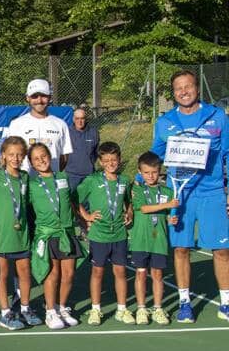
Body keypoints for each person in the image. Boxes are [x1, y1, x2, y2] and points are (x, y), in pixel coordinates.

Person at [151, 69, 229, 323]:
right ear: (173, 93)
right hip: (180, 196)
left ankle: (226, 303)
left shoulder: (217, 116)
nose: (184, 92)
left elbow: (228, 154)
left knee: (222, 249)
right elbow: (155, 156)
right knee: (181, 248)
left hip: (213, 193)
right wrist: (139, 185)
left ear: (197, 88)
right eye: (178, 88)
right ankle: (185, 302)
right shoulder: (164, 122)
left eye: (188, 86)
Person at [27, 143, 85, 330]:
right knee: (53, 274)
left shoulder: (63, 177)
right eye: (36, 159)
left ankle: (61, 308)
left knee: (69, 274)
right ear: (32, 163)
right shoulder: (31, 184)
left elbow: (74, 201)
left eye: (43, 156)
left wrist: (86, 217)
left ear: (49, 155)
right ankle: (50, 311)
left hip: (67, 233)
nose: (41, 160)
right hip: (47, 234)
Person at [0, 137, 42, 330]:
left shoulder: (26, 177)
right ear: (3, 156)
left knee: (25, 272)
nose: (16, 158)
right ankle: (5, 313)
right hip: (3, 236)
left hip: (22, 234)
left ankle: (25, 307)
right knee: (2, 275)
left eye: (20, 154)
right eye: (11, 154)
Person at [75, 141, 134, 325]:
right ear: (100, 162)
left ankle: (122, 309)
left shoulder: (124, 181)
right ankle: (95, 309)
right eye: (106, 160)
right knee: (98, 272)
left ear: (119, 160)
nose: (111, 163)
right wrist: (86, 215)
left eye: (114, 160)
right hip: (99, 235)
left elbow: (128, 201)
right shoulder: (92, 181)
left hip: (119, 234)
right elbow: (73, 198)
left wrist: (129, 211)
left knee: (121, 271)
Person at [131, 152, 178, 325]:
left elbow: (166, 214)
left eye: (154, 172)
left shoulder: (167, 191)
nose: (151, 176)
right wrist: (167, 205)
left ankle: (158, 308)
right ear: (140, 172)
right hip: (140, 241)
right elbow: (143, 208)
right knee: (141, 274)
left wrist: (170, 218)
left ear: (160, 172)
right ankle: (141, 308)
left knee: (158, 275)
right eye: (146, 172)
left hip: (159, 240)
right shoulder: (137, 189)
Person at [5, 78, 72, 174]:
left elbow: (64, 158)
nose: (39, 100)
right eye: (34, 96)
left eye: (43, 96)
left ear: (50, 97)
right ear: (28, 98)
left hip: (51, 183)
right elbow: (10, 155)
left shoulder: (61, 124)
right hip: (24, 182)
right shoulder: (16, 124)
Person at [66, 107, 99, 192]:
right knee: (72, 201)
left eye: (82, 118)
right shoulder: (67, 132)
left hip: (89, 174)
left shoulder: (93, 132)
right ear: (73, 119)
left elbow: (96, 152)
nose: (80, 121)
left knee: (87, 202)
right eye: (77, 118)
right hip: (71, 175)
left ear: (86, 119)